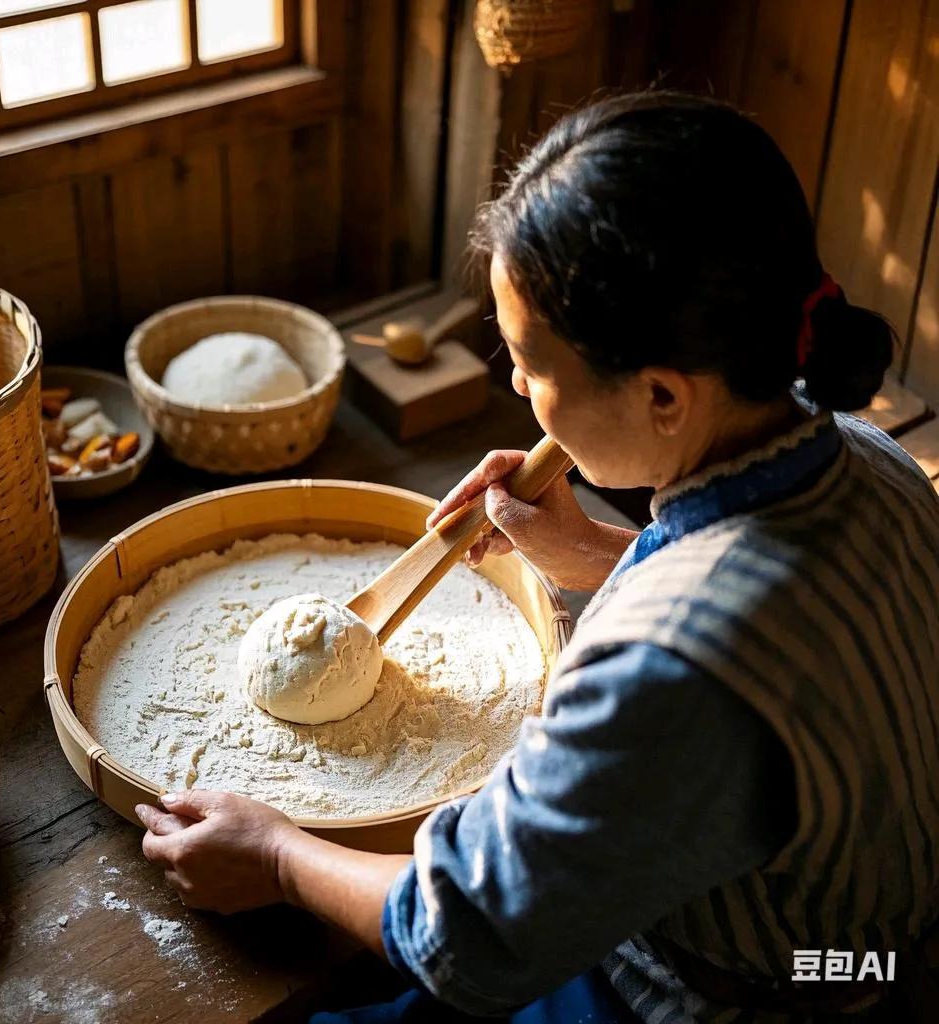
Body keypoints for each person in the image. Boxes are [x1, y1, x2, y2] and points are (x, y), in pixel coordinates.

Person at [135, 92, 939, 1022]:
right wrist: (595, 550)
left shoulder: (659, 675)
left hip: (777, 991)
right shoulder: (871, 456)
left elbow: (473, 938)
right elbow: (789, 626)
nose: (515, 385)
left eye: (531, 361)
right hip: (868, 950)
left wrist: (276, 855)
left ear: (664, 398)